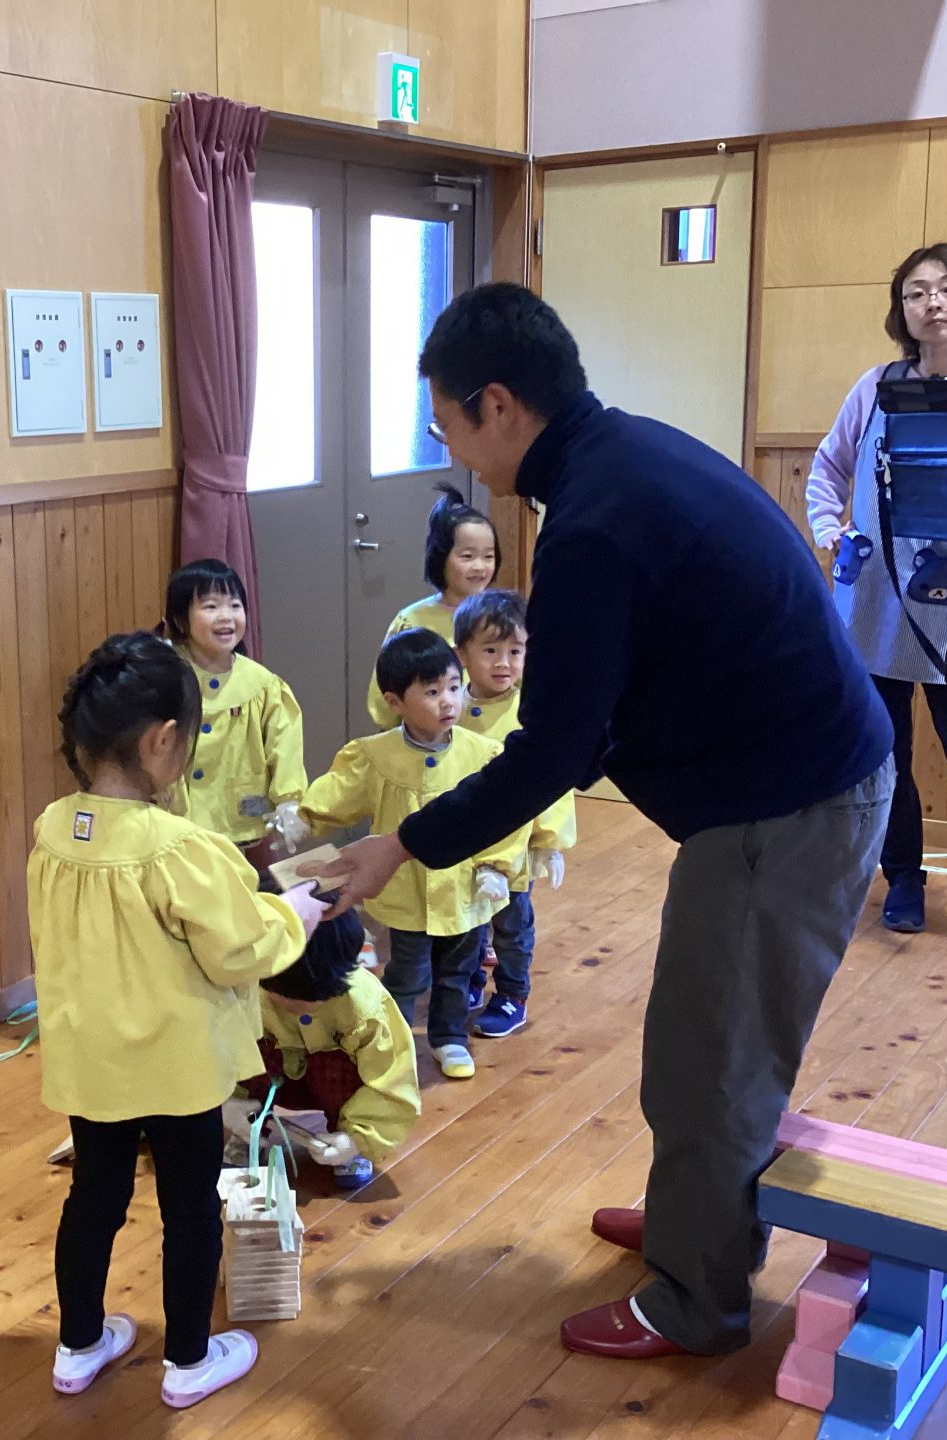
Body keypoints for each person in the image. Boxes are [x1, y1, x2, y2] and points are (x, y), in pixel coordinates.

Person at [316, 282, 894, 1361]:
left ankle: (697, 1299)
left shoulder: (594, 521)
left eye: (446, 422)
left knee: (714, 1060)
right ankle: (692, 1221)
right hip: (790, 787)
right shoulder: (619, 458)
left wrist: (401, 844)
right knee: (700, 1040)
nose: (449, 447)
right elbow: (593, 714)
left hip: (788, 807)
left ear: (498, 405)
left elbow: (553, 753)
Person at [30, 632, 327, 1408]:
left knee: (93, 1199)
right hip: (176, 1066)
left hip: (91, 1062)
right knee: (190, 1208)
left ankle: (78, 1346)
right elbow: (240, 949)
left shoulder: (54, 829)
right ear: (163, 741)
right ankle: (189, 1360)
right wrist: (294, 913)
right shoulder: (179, 848)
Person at [805, 243, 947, 965]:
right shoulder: (875, 385)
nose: (931, 303)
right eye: (915, 292)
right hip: (871, 598)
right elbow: (829, 466)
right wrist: (832, 532)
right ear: (900, 309)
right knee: (885, 752)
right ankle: (901, 876)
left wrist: (934, 441)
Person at [301, 629, 529, 1081]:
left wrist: (498, 866)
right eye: (431, 692)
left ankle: (449, 1037)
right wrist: (306, 814)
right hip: (406, 893)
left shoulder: (482, 754)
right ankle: (394, 1040)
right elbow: (340, 793)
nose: (448, 702)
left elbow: (507, 814)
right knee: (407, 972)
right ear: (395, 702)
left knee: (459, 971)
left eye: (453, 687)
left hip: (465, 892)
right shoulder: (375, 755)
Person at [452, 588, 577, 1033]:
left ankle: (511, 994)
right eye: (490, 650)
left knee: (511, 926)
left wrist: (549, 842)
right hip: (463, 841)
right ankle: (469, 979)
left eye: (515, 651)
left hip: (514, 848)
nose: (503, 663)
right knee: (464, 923)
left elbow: (553, 780)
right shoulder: (451, 707)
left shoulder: (531, 712)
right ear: (462, 654)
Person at [243, 889, 420, 1190]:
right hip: (275, 1076)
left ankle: (347, 1138)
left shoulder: (365, 1008)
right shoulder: (246, 990)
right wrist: (228, 1102)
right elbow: (219, 1049)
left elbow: (392, 1079)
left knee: (341, 1065)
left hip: (332, 1085)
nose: (293, 1005)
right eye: (280, 994)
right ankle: (248, 1128)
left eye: (309, 998)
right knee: (245, 1045)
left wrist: (358, 1139)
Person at [160, 559, 312, 858]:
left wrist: (289, 800)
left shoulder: (261, 684)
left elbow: (284, 742)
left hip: (234, 815)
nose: (226, 616)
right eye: (210, 606)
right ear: (180, 619)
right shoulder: (164, 674)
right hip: (173, 818)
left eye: (234, 605)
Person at [363, 484, 501, 729]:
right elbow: (384, 701)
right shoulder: (412, 621)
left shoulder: (503, 618)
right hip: (428, 741)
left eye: (488, 556)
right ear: (441, 557)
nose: (480, 566)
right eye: (467, 556)